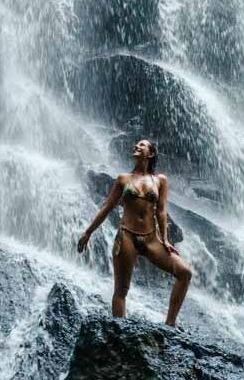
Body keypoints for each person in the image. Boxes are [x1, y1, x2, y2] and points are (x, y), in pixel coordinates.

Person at [77, 139, 193, 327]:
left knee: (185, 272)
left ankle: (170, 324)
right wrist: (88, 233)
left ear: (151, 154)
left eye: (142, 145)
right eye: (136, 145)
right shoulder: (123, 179)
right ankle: (119, 332)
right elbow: (107, 207)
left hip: (151, 239)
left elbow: (161, 211)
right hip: (126, 237)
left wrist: (165, 239)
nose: (136, 147)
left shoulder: (160, 180)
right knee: (121, 290)